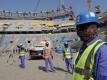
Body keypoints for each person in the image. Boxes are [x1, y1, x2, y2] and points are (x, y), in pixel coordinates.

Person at [73, 12, 107, 80]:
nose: (80, 31)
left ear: (95, 28)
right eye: (78, 28)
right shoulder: (82, 46)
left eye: (83, 27)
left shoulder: (102, 50)